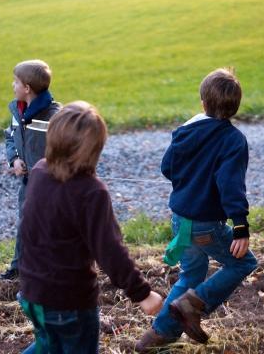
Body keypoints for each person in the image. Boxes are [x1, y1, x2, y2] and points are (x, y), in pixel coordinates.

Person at [18, 101, 163, 354]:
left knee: (49, 345)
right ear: (94, 149)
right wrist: (142, 294)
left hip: (31, 292)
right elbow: (110, 252)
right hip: (68, 303)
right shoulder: (91, 192)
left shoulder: (40, 170)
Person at [136, 68, 258, 352]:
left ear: (203, 103)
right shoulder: (233, 140)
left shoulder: (187, 130)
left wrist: (189, 179)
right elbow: (231, 185)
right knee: (243, 263)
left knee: (190, 276)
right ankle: (192, 306)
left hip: (180, 220)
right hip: (205, 226)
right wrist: (240, 226)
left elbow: (167, 168)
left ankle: (157, 337)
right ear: (235, 108)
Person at [0, 59, 61, 280]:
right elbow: (10, 137)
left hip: (51, 186)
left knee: (50, 228)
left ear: (27, 88)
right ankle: (18, 269)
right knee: (25, 224)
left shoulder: (55, 116)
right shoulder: (17, 111)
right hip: (28, 184)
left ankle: (52, 270)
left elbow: (68, 148)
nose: (12, 86)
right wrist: (15, 159)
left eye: (15, 82)